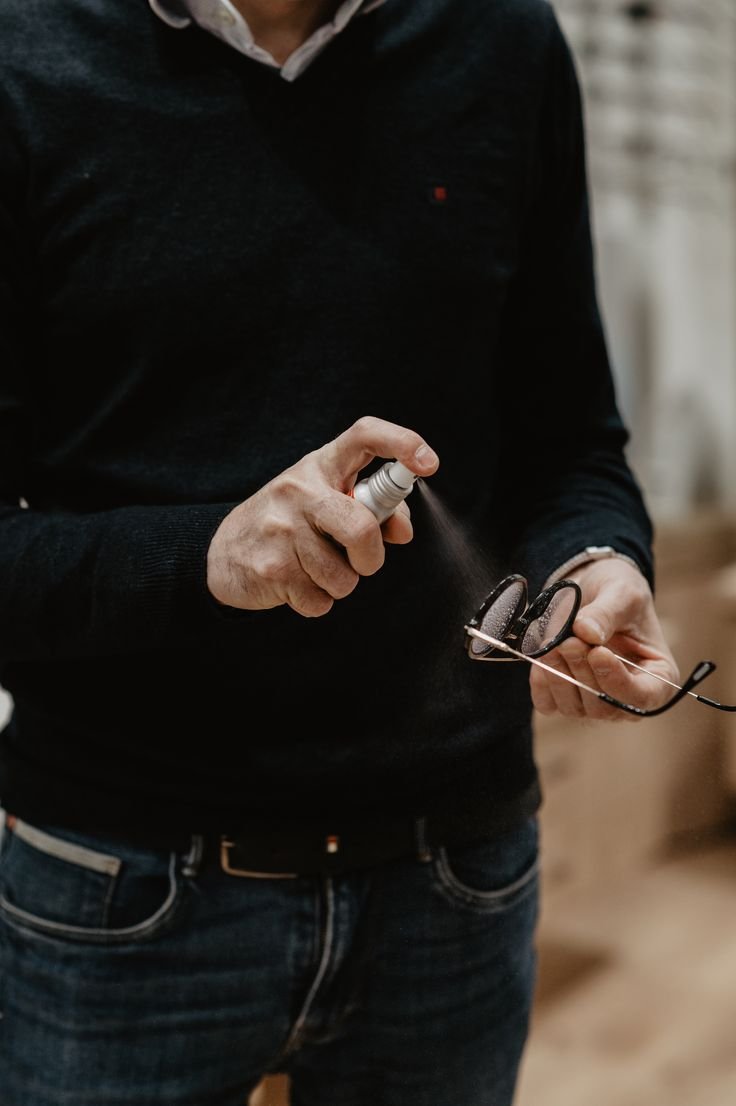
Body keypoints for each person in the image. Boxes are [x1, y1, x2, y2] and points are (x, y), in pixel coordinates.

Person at [0, 1, 682, 1104]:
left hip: (452, 878)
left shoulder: (501, 40)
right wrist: (205, 554)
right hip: (115, 886)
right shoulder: (24, 55)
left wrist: (591, 559)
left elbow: (571, 444)